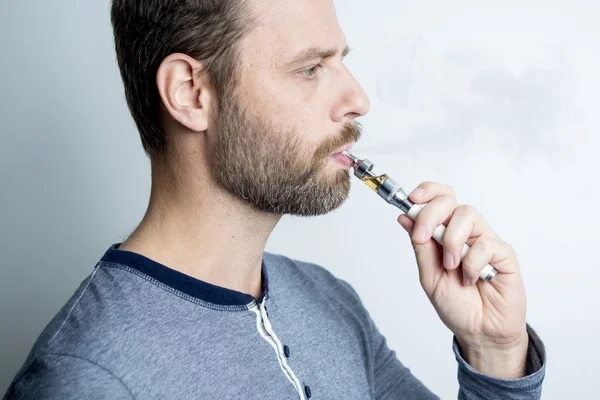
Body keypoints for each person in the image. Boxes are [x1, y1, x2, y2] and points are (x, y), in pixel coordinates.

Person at [3, 0, 546, 398]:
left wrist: (494, 350)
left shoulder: (329, 302)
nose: (357, 99)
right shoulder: (86, 379)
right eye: (311, 68)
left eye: (341, 61)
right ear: (192, 95)